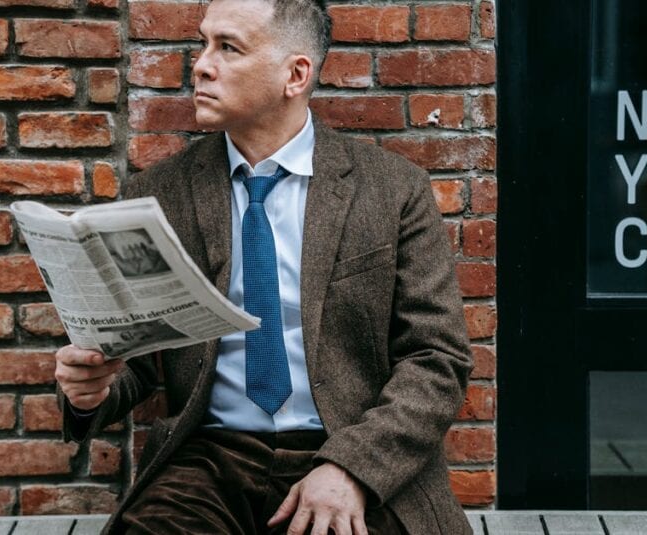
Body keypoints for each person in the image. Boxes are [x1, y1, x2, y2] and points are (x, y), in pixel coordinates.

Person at [53, 0, 474, 533]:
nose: (201, 64)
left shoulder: (392, 191)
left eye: (228, 48)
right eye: (203, 43)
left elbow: (437, 358)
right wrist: (94, 390)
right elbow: (135, 359)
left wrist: (353, 468)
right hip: (209, 458)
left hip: (347, 447)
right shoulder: (160, 193)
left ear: (294, 74)